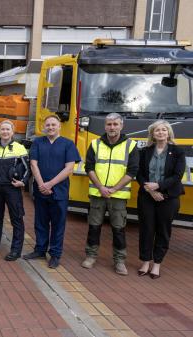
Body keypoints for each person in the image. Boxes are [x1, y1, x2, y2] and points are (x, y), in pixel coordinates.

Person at [81, 113, 138, 275]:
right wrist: (101, 187)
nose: (112, 127)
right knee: (94, 227)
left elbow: (133, 171)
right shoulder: (95, 144)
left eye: (115, 124)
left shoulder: (130, 145)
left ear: (121, 126)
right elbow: (89, 167)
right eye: (109, 124)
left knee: (118, 229)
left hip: (118, 196)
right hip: (97, 194)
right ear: (105, 126)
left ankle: (120, 261)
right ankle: (91, 256)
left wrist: (113, 189)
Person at [23, 115, 80, 269]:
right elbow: (33, 164)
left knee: (58, 224)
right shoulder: (37, 143)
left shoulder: (68, 144)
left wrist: (50, 184)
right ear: (44, 127)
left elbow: (69, 168)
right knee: (40, 222)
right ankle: (40, 250)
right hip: (40, 190)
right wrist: (42, 184)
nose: (50, 127)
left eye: (53, 124)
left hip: (59, 192)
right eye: (47, 125)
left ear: (59, 126)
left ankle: (55, 254)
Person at [136, 120, 185, 279]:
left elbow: (177, 176)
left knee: (163, 231)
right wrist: (151, 190)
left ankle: (157, 264)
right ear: (152, 134)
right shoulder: (145, 151)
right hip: (147, 196)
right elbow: (139, 174)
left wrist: (158, 186)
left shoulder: (177, 152)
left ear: (169, 133)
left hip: (169, 197)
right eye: (157, 130)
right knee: (146, 229)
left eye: (164, 130)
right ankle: (145, 261)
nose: (161, 132)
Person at [0, 120, 29, 261]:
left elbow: (28, 168)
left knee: (17, 219)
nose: (5, 132)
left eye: (8, 129)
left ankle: (16, 250)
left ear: (12, 132)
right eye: (2, 129)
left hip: (12, 188)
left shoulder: (19, 148)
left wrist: (23, 182)